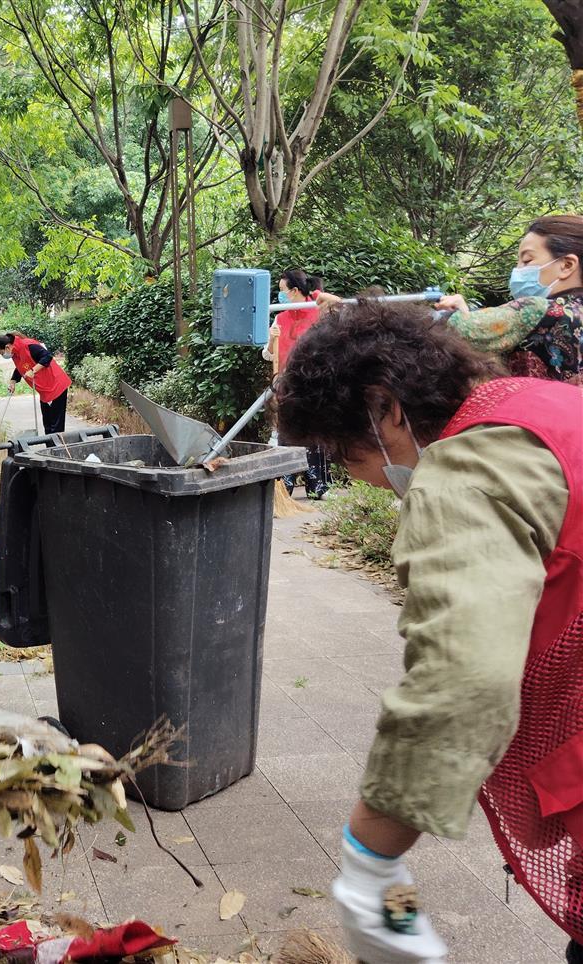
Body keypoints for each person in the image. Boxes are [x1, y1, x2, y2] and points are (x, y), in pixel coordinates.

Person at [276, 298, 581, 963]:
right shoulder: (544, 408)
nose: (378, 485)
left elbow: (462, 677)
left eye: (351, 460)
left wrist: (370, 860)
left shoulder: (461, 477)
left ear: (385, 409)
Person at [319, 216, 583, 384]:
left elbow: (443, 329)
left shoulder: (536, 309)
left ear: (566, 265)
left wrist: (348, 306)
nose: (518, 270)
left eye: (527, 260)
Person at [270, 269, 332, 499]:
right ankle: (284, 486)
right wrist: (271, 337)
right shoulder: (281, 316)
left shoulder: (318, 312)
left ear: (295, 291)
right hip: (287, 383)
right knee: (286, 433)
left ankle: (317, 486)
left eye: (282, 291)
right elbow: (269, 354)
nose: (280, 296)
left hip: (315, 383)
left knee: (314, 433)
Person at [0, 332, 72, 435]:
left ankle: (57, 449)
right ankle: (50, 449)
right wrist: (13, 381)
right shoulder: (15, 354)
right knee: (47, 425)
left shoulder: (28, 345)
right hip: (45, 390)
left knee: (56, 426)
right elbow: (21, 367)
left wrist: (33, 370)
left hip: (56, 385)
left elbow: (47, 356)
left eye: (1, 353)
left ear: (7, 347)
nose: (3, 355)